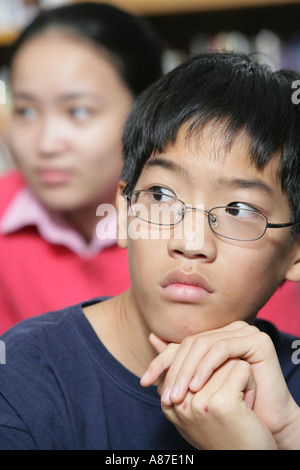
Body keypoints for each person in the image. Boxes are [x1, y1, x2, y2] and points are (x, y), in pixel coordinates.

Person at [1, 51, 300, 450]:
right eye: (162, 195)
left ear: (295, 254)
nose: (190, 243)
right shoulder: (23, 377)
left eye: (238, 210)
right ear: (124, 215)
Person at [0, 2, 163, 334]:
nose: (46, 144)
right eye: (26, 111)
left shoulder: (200, 227)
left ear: (147, 112)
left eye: (78, 112)